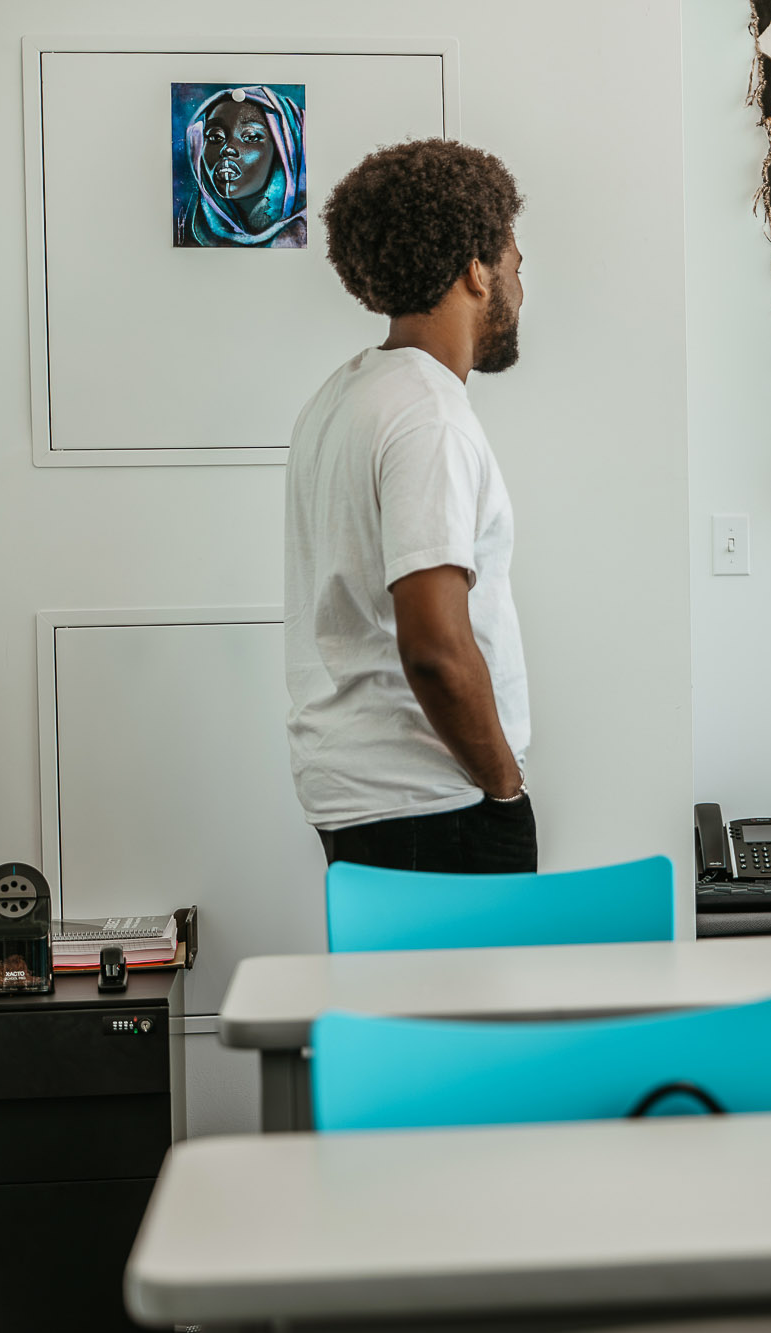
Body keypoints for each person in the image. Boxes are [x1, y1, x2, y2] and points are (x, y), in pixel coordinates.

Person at [283, 139, 533, 873]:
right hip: (436, 804)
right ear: (476, 271)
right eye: (516, 264)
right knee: (474, 995)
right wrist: (504, 786)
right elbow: (433, 646)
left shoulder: (346, 395)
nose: (521, 285)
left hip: (366, 795)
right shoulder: (428, 413)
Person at [179, 85, 306, 248]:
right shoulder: (193, 238)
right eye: (215, 137)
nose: (227, 149)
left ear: (285, 149)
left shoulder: (309, 237)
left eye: (251, 137)